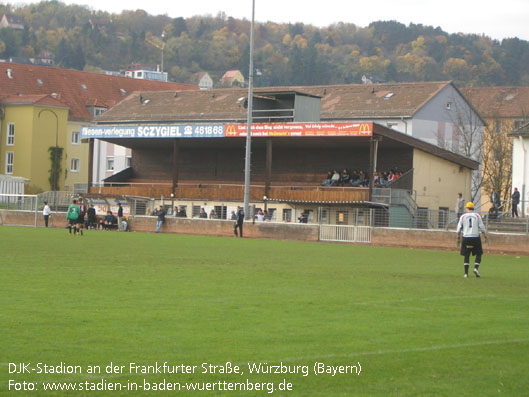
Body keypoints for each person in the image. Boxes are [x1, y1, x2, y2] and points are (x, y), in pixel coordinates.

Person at [456, 202, 488, 278]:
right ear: (473, 208)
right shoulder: (477, 216)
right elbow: (482, 227)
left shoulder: (463, 216)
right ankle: (476, 268)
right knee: (479, 253)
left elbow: (459, 228)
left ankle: (466, 273)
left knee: (466, 255)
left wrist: (458, 237)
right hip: (475, 237)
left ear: (466, 208)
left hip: (466, 237)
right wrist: (485, 236)